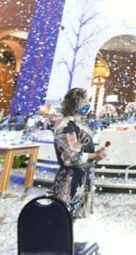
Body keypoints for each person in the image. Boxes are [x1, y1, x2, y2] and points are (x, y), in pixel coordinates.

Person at [52, 88, 107, 219]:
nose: (88, 104)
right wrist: (94, 156)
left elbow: (82, 150)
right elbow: (71, 157)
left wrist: (96, 154)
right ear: (77, 103)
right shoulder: (66, 126)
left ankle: (66, 239)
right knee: (64, 218)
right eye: (85, 101)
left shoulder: (79, 125)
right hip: (70, 181)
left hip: (81, 179)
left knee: (72, 219)